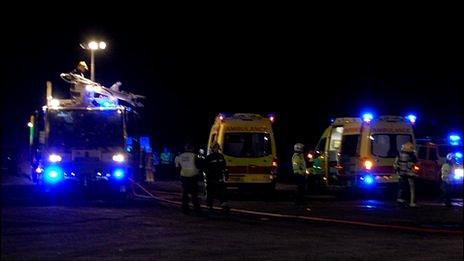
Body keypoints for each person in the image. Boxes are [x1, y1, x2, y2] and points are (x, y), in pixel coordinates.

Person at [175, 144, 202, 215]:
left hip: (184, 176)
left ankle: (185, 210)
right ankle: (197, 210)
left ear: (185, 148)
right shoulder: (194, 156)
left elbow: (177, 166)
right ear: (192, 149)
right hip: (193, 176)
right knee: (194, 195)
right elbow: (199, 165)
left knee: (185, 194)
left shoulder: (180, 156)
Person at [203, 142, 229, 212]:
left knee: (222, 192)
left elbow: (224, 166)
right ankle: (210, 206)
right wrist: (208, 175)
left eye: (217, 147)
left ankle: (224, 205)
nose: (216, 149)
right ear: (212, 148)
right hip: (211, 178)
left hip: (219, 177)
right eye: (215, 147)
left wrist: (226, 174)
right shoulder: (209, 158)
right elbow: (205, 168)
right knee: (210, 193)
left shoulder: (221, 156)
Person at [394, 142, 418, 207]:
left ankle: (400, 201)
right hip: (410, 175)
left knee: (401, 188)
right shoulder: (412, 156)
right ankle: (411, 203)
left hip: (401, 174)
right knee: (411, 189)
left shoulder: (399, 154)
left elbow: (395, 165)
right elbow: (414, 165)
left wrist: (397, 171)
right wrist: (414, 173)